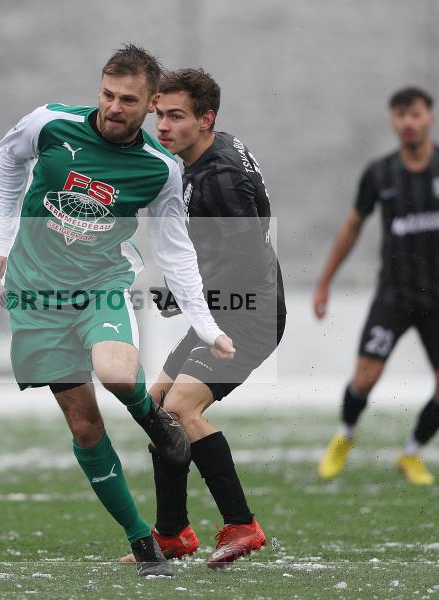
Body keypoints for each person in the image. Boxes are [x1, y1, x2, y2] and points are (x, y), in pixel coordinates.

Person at [0, 45, 235, 577]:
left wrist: (205, 323)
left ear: (150, 106)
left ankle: (156, 423)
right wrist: (1, 237)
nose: (114, 108)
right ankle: (143, 540)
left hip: (101, 282)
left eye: (128, 100)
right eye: (107, 95)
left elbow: (175, 248)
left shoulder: (159, 167)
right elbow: (8, 159)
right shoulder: (49, 123)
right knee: (84, 426)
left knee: (117, 373)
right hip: (34, 293)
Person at [119, 68, 286, 568]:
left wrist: (188, 294)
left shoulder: (222, 179)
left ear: (206, 119)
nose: (163, 127)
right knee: (154, 406)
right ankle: (172, 533)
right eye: (159, 115)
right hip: (222, 307)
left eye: (176, 116)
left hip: (249, 312)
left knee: (183, 409)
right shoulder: (206, 154)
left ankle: (242, 525)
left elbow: (250, 263)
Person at [313, 86, 439, 485]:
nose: (408, 123)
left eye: (416, 115)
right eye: (401, 115)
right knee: (364, 378)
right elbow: (352, 227)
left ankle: (411, 453)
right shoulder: (379, 173)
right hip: (394, 295)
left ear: (430, 119)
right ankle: (346, 435)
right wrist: (325, 282)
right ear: (393, 121)